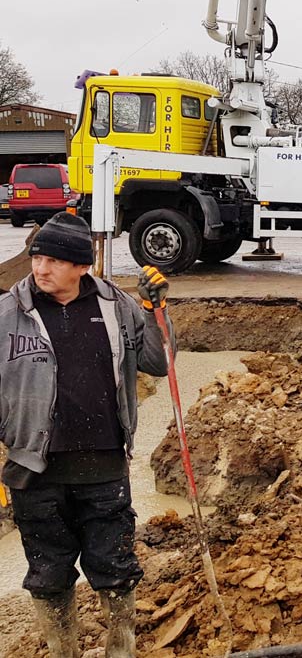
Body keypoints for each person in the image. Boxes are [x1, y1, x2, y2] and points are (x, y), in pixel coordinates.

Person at [0, 213, 174, 658]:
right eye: (38, 257)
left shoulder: (116, 307)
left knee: (115, 568)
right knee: (48, 573)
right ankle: (63, 652)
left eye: (55, 260)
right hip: (33, 469)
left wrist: (157, 310)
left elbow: (159, 363)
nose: (40, 268)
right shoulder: (7, 313)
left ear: (82, 266)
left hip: (104, 467)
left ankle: (122, 648)